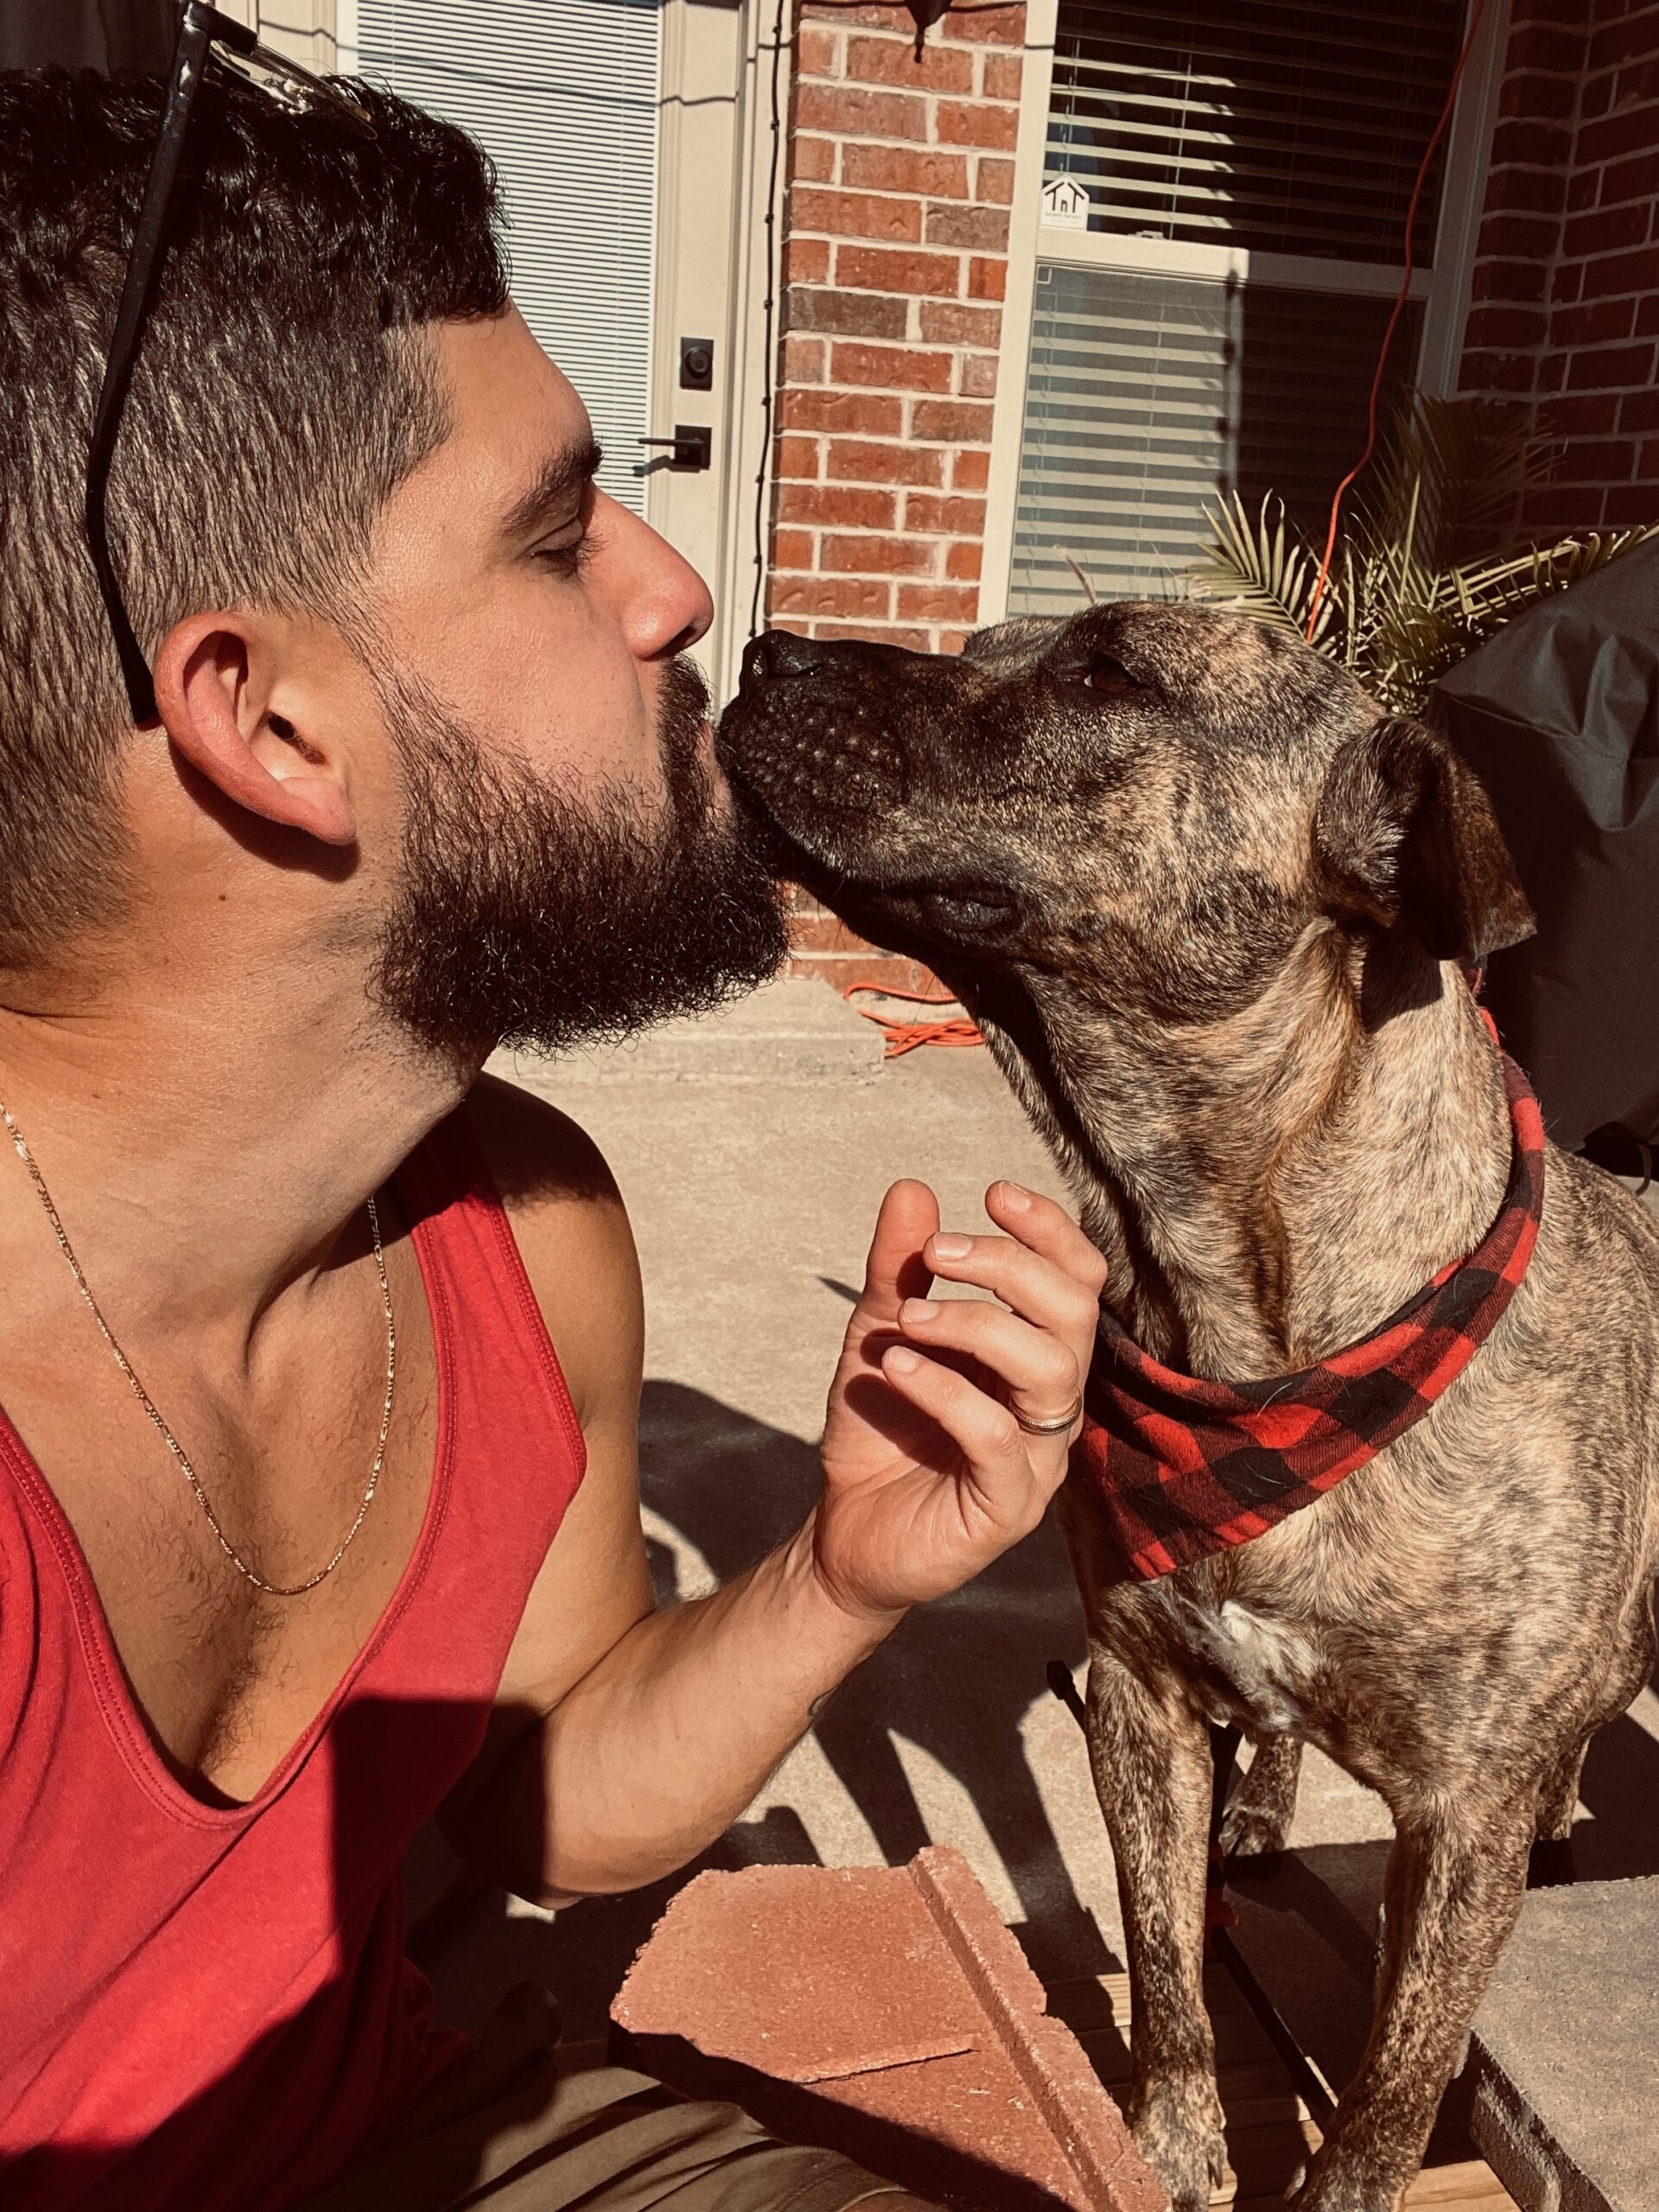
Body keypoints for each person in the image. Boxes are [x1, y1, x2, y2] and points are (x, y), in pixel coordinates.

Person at [0, 67, 1106, 2212]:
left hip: (406, 2127)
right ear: (272, 721)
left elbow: (534, 1794)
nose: (675, 588)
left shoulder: (516, 1224)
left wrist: (832, 1571)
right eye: (553, 527)